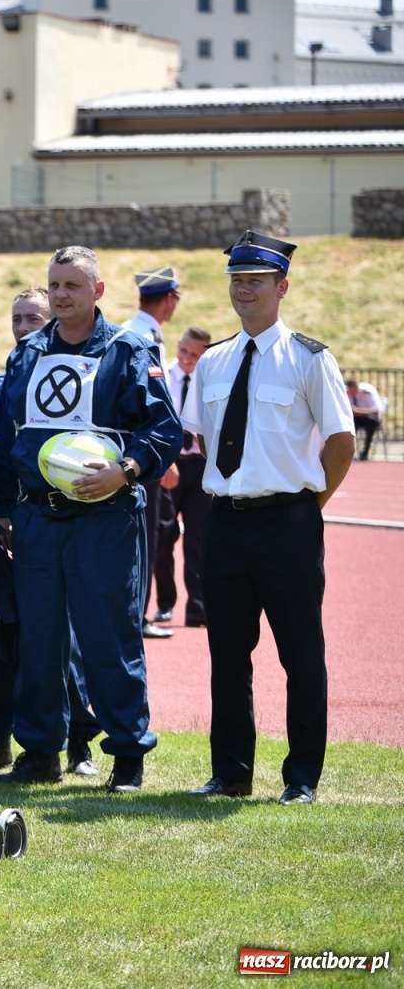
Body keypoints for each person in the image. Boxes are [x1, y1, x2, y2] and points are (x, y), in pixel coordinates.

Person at [0, 246, 181, 793]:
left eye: (73, 285)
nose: (60, 295)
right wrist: (5, 511)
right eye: (54, 285)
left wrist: (125, 470)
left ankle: (126, 753)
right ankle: (40, 751)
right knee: (40, 639)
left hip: (107, 520)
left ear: (98, 290)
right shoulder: (26, 355)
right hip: (36, 522)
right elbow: (6, 440)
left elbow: (164, 431)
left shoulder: (128, 350)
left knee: (110, 637)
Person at [185, 231, 354, 806]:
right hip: (226, 523)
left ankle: (301, 778)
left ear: (282, 287)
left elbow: (340, 442)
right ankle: (230, 771)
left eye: (256, 280)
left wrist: (311, 506)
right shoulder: (212, 361)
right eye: (237, 279)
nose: (244, 289)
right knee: (227, 655)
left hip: (288, 523)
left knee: (301, 654)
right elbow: (207, 440)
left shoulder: (310, 358)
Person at [0, 289, 102, 776]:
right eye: (17, 317)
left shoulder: (79, 377)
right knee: (0, 636)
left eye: (34, 318)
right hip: (10, 531)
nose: (24, 326)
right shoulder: (0, 386)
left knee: (64, 642)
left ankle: (80, 745)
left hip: (61, 528)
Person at [124, 266, 184, 639]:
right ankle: (139, 614)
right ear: (169, 299)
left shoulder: (138, 331)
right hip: (143, 456)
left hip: (136, 453)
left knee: (151, 534)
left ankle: (138, 612)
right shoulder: (143, 337)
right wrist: (165, 456)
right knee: (145, 537)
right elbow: (149, 406)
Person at [155, 327, 213, 628]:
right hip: (169, 463)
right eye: (184, 352)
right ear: (178, 346)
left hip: (200, 465)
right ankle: (165, 603)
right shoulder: (162, 375)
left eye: (196, 354)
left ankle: (198, 606)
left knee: (199, 537)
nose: (188, 359)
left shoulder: (210, 380)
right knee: (163, 535)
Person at [346, 379, 382, 461]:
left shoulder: (367, 392)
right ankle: (350, 451)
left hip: (368, 417)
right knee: (349, 425)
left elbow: (376, 410)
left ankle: (365, 452)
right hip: (354, 418)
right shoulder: (345, 393)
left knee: (371, 423)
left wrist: (359, 411)